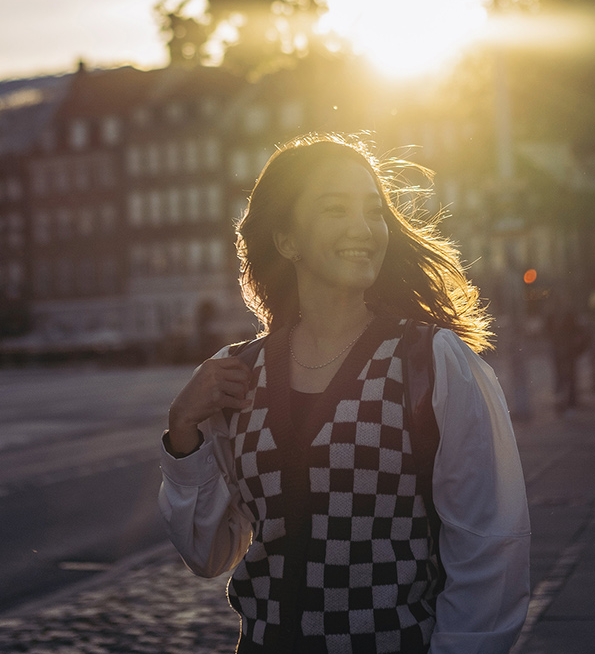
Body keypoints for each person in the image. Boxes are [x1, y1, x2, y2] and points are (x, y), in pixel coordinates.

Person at [159, 135, 530, 653]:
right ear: (287, 240)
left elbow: (491, 547)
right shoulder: (237, 375)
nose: (363, 229)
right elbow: (209, 554)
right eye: (336, 210)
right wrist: (183, 433)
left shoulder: (432, 361)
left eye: (373, 211)